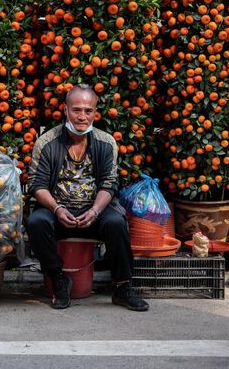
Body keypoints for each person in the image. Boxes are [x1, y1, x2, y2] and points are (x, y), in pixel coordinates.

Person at [26, 84, 149, 311]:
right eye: (77, 110)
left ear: (95, 112)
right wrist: (56, 209)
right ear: (65, 110)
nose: (82, 116)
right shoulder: (46, 142)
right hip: (58, 215)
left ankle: (122, 286)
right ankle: (58, 280)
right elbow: (37, 184)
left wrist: (94, 211)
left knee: (116, 222)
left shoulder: (105, 142)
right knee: (36, 222)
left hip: (94, 215)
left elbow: (109, 183)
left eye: (88, 111)